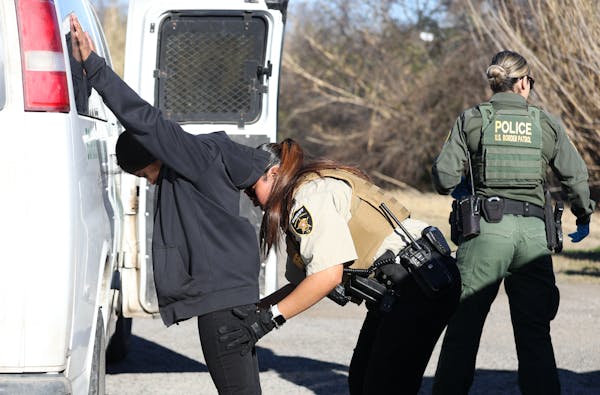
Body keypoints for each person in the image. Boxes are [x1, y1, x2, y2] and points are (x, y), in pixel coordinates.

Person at [70, 14, 272, 394]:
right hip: (233, 298)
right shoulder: (208, 160)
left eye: (143, 174)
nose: (149, 181)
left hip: (222, 309)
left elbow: (146, 120)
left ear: (153, 158)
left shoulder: (193, 158)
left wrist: (94, 68)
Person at [217, 139, 461, 394]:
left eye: (251, 189)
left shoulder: (309, 196)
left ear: (274, 173)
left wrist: (267, 321)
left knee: (383, 386)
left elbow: (328, 276)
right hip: (400, 291)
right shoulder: (298, 199)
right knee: (362, 381)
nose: (251, 198)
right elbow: (304, 284)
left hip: (421, 285)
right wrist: (257, 310)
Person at [430, 50, 595, 395]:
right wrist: (583, 215)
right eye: (530, 82)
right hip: (535, 235)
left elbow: (443, 177)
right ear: (522, 82)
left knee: (464, 328)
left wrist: (464, 184)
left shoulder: (472, 119)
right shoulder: (545, 122)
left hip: (484, 234)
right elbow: (576, 178)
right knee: (535, 331)